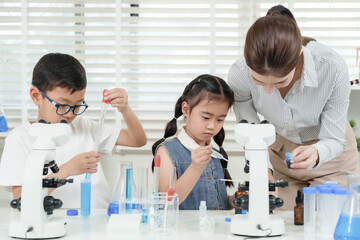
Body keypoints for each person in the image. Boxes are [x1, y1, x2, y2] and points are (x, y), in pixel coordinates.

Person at [228, 5, 360, 210]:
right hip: (282, 159)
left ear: (299, 54)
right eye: (258, 81)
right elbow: (251, 132)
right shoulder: (239, 74)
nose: (269, 90)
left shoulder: (332, 67)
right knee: (277, 223)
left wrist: (316, 152)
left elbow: (334, 139)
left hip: (333, 157)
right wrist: (264, 172)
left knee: (328, 224)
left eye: (279, 82)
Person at [0, 53, 147, 208]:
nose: (70, 114)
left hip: (100, 220)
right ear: (36, 96)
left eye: (77, 105)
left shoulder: (85, 127)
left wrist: (125, 110)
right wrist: (66, 170)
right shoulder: (19, 139)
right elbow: (21, 199)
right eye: (62, 105)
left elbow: (137, 140)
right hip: (54, 224)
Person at [152, 74, 235, 210]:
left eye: (220, 120)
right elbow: (166, 202)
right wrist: (195, 168)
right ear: (186, 109)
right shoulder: (167, 151)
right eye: (206, 117)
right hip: (185, 230)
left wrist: (235, 200)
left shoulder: (214, 154)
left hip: (215, 230)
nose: (212, 126)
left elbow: (216, 203)